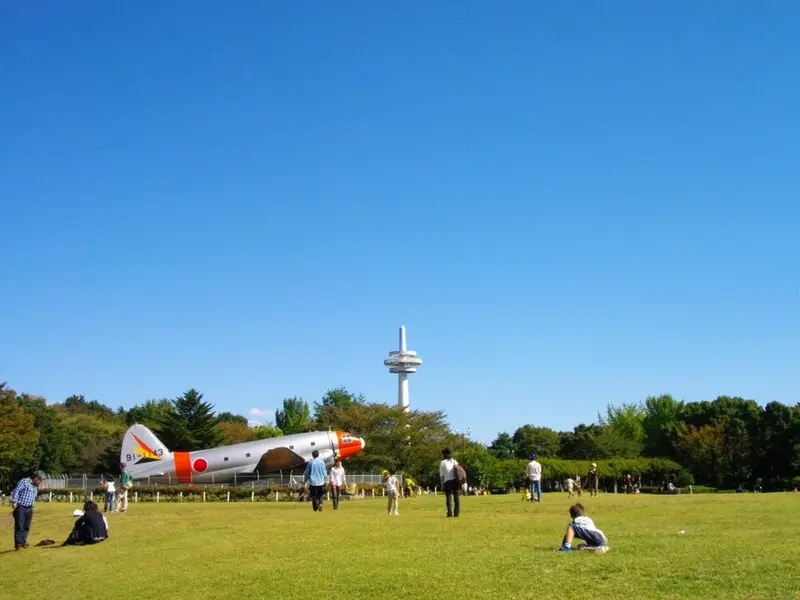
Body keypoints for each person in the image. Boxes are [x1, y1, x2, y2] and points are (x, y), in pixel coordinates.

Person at [10, 471, 45, 551]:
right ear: (36, 478)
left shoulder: (35, 486)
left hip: (29, 508)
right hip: (20, 507)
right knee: (20, 526)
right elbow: (16, 491)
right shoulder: (24, 481)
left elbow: (33, 496)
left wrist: (32, 506)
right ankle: (18, 545)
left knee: (26, 526)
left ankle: (23, 542)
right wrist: (14, 501)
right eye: (40, 480)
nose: (41, 482)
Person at [439, 448, 460, 518]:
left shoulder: (442, 463)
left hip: (447, 482)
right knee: (456, 498)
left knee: (448, 498)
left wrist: (442, 485)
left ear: (444, 454)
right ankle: (456, 513)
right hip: (455, 481)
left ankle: (449, 513)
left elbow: (441, 475)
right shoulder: (454, 461)